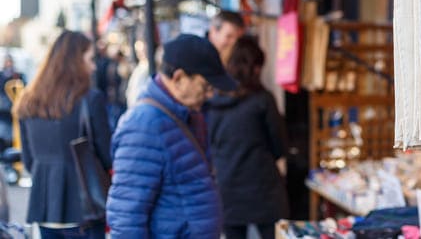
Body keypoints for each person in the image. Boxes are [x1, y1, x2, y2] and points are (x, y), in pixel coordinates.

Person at [107, 34, 237, 238]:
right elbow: (126, 215)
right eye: (206, 86)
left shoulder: (190, 114)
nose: (211, 94)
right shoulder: (144, 124)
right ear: (179, 78)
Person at [14, 31, 111, 238]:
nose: (94, 67)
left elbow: (29, 162)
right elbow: (106, 155)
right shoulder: (91, 99)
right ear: (75, 62)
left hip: (45, 204)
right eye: (90, 59)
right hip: (85, 205)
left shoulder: (27, 102)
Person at [206, 35, 289, 239]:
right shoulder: (262, 100)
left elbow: (208, 145)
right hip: (264, 189)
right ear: (255, 68)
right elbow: (280, 146)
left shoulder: (212, 103)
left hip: (227, 190)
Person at [0, 54, 24, 151]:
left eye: (10, 62)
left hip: (14, 109)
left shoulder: (18, 75)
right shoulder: (1, 76)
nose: (9, 64)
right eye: (7, 62)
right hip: (4, 111)